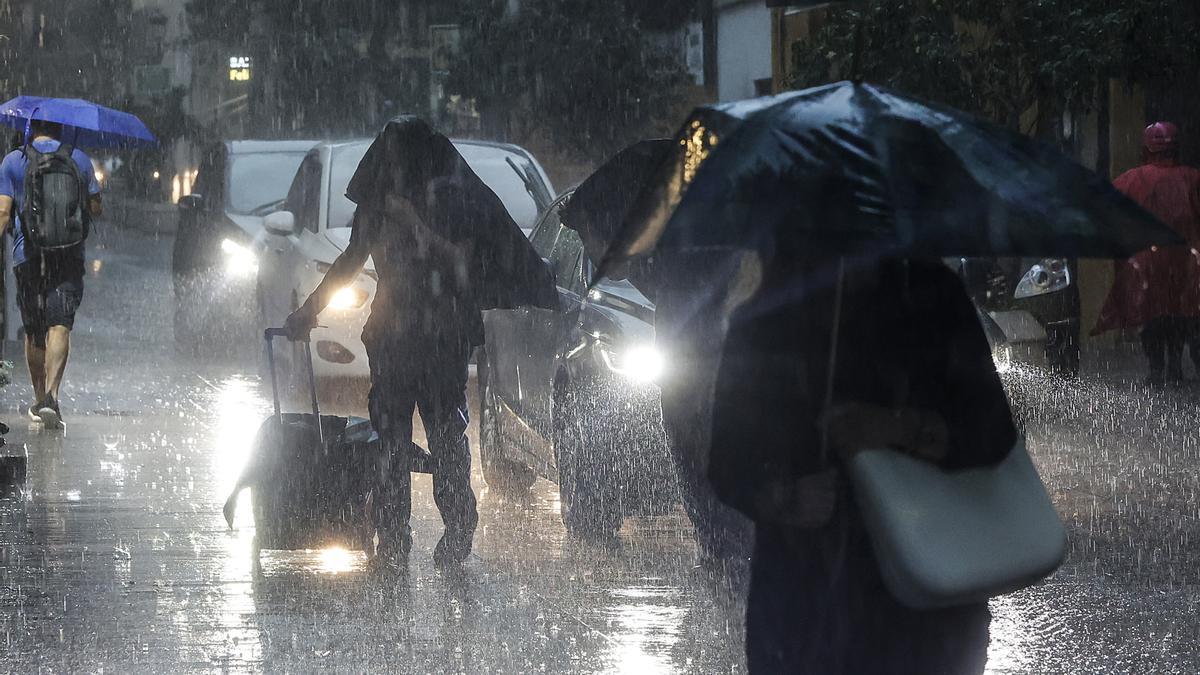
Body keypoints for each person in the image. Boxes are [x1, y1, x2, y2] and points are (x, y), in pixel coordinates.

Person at [707, 250, 1013, 673]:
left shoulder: (933, 297)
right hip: (804, 605)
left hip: (927, 604)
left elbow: (992, 434)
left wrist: (900, 429)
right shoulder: (766, 320)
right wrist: (786, 498)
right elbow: (727, 462)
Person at [284, 116, 554, 568]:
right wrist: (309, 312)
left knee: (445, 435)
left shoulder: (452, 199)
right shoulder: (376, 205)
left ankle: (458, 525)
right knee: (390, 442)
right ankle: (393, 538)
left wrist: (415, 224)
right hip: (391, 338)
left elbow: (461, 261)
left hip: (441, 337)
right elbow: (350, 261)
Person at [0, 120, 102, 429]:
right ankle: (53, 398)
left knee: (34, 329)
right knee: (60, 325)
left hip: (27, 256)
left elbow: (3, 212)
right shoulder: (80, 159)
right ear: (61, 129)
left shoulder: (14, 161)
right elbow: (96, 207)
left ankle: (39, 395)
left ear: (31, 129)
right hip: (68, 255)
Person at [1093, 122, 1200, 385]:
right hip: (1185, 261)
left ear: (1146, 148)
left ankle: (1156, 370)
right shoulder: (1193, 178)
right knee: (1180, 314)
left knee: (1152, 315)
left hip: (1146, 262)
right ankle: (1174, 368)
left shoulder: (1132, 179)